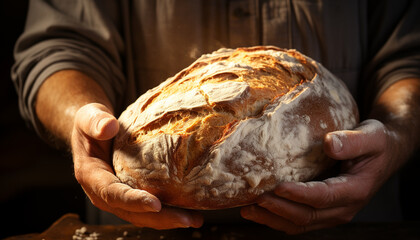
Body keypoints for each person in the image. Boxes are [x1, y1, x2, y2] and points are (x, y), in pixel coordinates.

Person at [12, 0, 420, 234]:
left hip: (352, 225)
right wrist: (83, 117)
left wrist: (396, 135)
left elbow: (410, 55)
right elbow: (58, 46)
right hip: (142, 226)